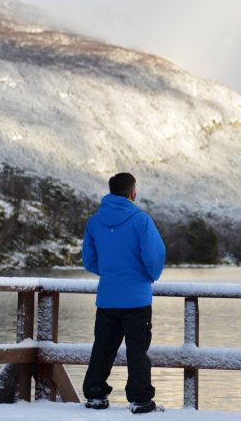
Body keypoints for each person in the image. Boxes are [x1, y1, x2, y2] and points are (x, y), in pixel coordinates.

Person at [81, 172, 166, 414]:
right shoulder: (141, 220)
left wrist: (111, 272)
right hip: (136, 299)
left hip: (108, 297)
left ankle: (95, 394)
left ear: (110, 191)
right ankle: (140, 399)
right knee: (137, 351)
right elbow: (154, 258)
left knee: (103, 347)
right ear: (132, 193)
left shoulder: (94, 222)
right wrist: (146, 277)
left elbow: (89, 260)